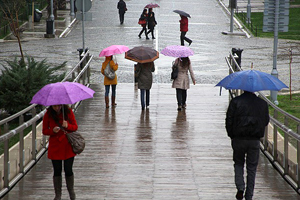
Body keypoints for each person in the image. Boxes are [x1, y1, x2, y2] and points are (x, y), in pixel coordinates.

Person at [225, 91, 269, 200]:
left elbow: (229, 120)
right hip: (254, 140)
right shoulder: (262, 103)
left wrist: (232, 135)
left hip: (238, 139)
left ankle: (240, 187)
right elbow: (266, 121)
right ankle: (249, 195)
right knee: (252, 168)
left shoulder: (235, 102)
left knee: (238, 163)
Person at [42, 104, 78, 200]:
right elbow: (44, 130)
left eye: (58, 106)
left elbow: (75, 127)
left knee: (68, 169)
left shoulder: (68, 112)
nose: (57, 108)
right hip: (55, 146)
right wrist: (52, 131)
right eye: (54, 106)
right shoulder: (48, 114)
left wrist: (68, 126)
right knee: (57, 171)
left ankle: (71, 192)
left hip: (67, 145)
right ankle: (58, 195)